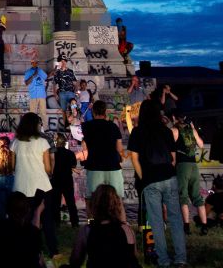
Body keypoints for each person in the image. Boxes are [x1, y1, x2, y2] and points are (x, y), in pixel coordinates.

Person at [128, 99, 187, 268]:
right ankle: (181, 258)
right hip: (169, 176)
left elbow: (134, 158)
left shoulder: (137, 132)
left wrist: (143, 177)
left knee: (156, 221)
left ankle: (163, 260)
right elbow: (173, 158)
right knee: (176, 220)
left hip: (150, 179)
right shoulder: (166, 131)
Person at [66, 184, 140, 268]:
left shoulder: (87, 230)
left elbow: (75, 261)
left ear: (94, 205)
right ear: (117, 205)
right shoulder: (126, 229)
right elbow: (133, 260)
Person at [0, 191, 45, 268]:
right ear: (27, 210)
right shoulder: (34, 232)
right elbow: (39, 259)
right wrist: (37, 212)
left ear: (7, 210)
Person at [11, 112, 52, 228]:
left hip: (20, 186)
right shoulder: (43, 142)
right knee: (46, 220)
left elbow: (12, 165)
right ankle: (49, 245)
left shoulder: (15, 142)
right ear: (35, 125)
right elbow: (48, 168)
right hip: (42, 186)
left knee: (22, 221)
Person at [170, 111, 208, 236]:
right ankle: (204, 226)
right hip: (194, 166)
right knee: (197, 196)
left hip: (182, 166)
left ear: (174, 118)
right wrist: (193, 129)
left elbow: (170, 147)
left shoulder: (174, 131)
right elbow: (201, 145)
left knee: (183, 196)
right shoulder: (191, 130)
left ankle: (186, 227)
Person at [81, 100, 126, 197]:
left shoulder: (86, 127)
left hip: (94, 167)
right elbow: (119, 148)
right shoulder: (113, 127)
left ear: (93, 112)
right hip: (113, 166)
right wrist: (122, 160)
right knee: (117, 200)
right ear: (105, 112)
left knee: (92, 201)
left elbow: (83, 145)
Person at [47, 133, 80, 256]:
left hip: (56, 180)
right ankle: (75, 222)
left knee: (55, 203)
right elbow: (73, 165)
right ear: (64, 143)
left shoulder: (54, 153)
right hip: (67, 180)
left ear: (56, 143)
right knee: (71, 202)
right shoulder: (70, 154)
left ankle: (57, 222)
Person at [51, 57, 78, 126]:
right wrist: (55, 94)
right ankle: (66, 125)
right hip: (62, 93)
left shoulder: (70, 71)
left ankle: (73, 120)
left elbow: (75, 83)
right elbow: (54, 84)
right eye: (61, 62)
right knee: (64, 110)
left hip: (70, 92)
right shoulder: (58, 72)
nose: (63, 63)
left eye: (64, 61)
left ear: (66, 62)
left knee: (73, 105)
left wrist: (76, 91)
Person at [0, 135, 17, 209]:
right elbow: (14, 168)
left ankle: (2, 218)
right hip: (10, 178)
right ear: (8, 144)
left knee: (1, 205)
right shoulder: (12, 154)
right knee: (11, 204)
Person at [23, 59, 49, 127]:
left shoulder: (40, 70)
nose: (35, 64)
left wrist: (54, 70)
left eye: (36, 62)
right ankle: (32, 129)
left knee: (43, 113)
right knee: (32, 114)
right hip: (33, 95)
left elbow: (46, 77)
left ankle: (45, 129)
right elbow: (26, 83)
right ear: (31, 63)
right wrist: (33, 75)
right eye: (34, 62)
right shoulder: (28, 72)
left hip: (42, 95)